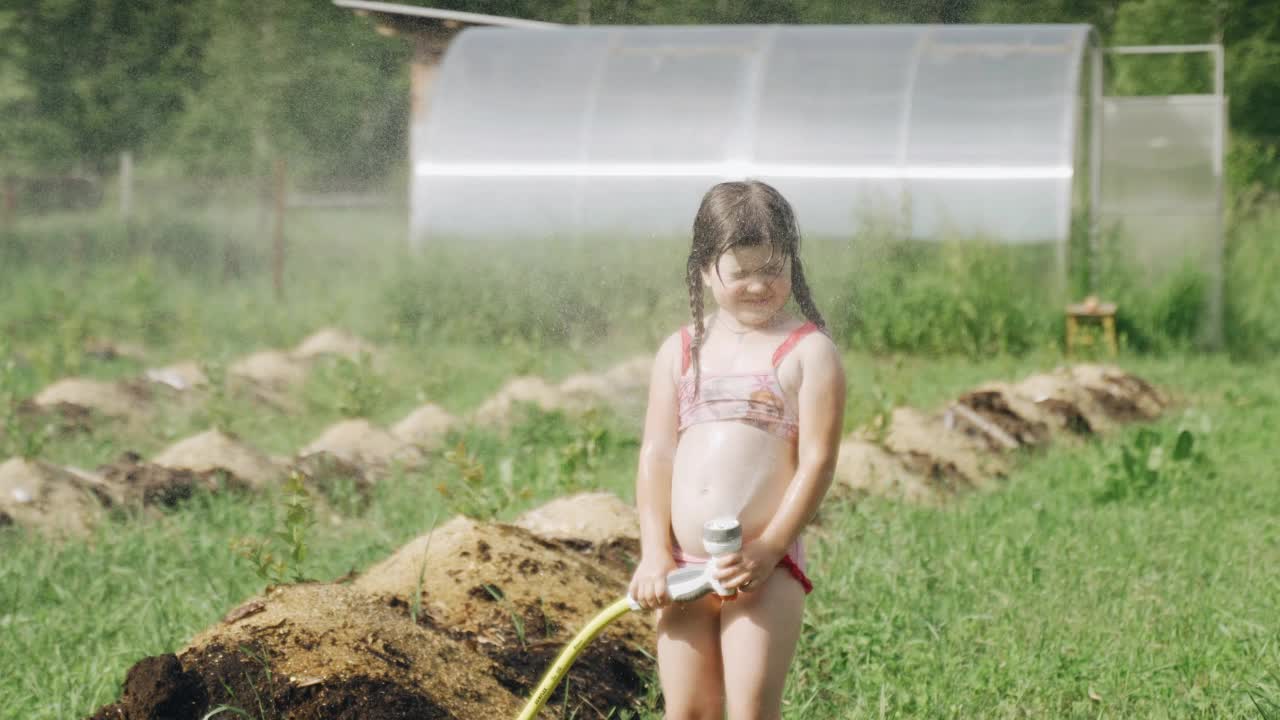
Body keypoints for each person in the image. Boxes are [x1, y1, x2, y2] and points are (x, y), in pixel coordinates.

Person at [628, 180, 847, 719]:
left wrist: (770, 547)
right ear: (705, 268)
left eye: (772, 269)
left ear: (793, 264)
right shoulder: (680, 351)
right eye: (740, 271)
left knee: (750, 710)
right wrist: (654, 552)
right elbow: (657, 454)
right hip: (682, 564)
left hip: (761, 567)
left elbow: (818, 461)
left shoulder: (810, 353)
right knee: (689, 712)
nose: (758, 285)